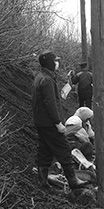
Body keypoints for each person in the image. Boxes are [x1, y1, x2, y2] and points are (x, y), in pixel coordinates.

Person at [32, 50, 87, 190]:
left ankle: (42, 182)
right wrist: (58, 123)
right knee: (64, 149)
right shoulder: (47, 80)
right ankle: (73, 181)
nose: (57, 63)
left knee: (44, 151)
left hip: (41, 122)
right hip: (50, 123)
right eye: (55, 61)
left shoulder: (40, 77)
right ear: (50, 63)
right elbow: (50, 103)